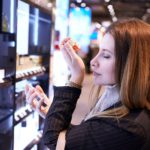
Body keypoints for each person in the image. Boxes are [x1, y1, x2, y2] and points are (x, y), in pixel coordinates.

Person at [25, 18, 150, 150]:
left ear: (132, 65)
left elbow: (55, 142)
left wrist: (76, 76)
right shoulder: (125, 107)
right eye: (99, 52)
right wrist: (53, 114)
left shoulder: (128, 127)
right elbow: (90, 139)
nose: (93, 62)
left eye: (106, 56)